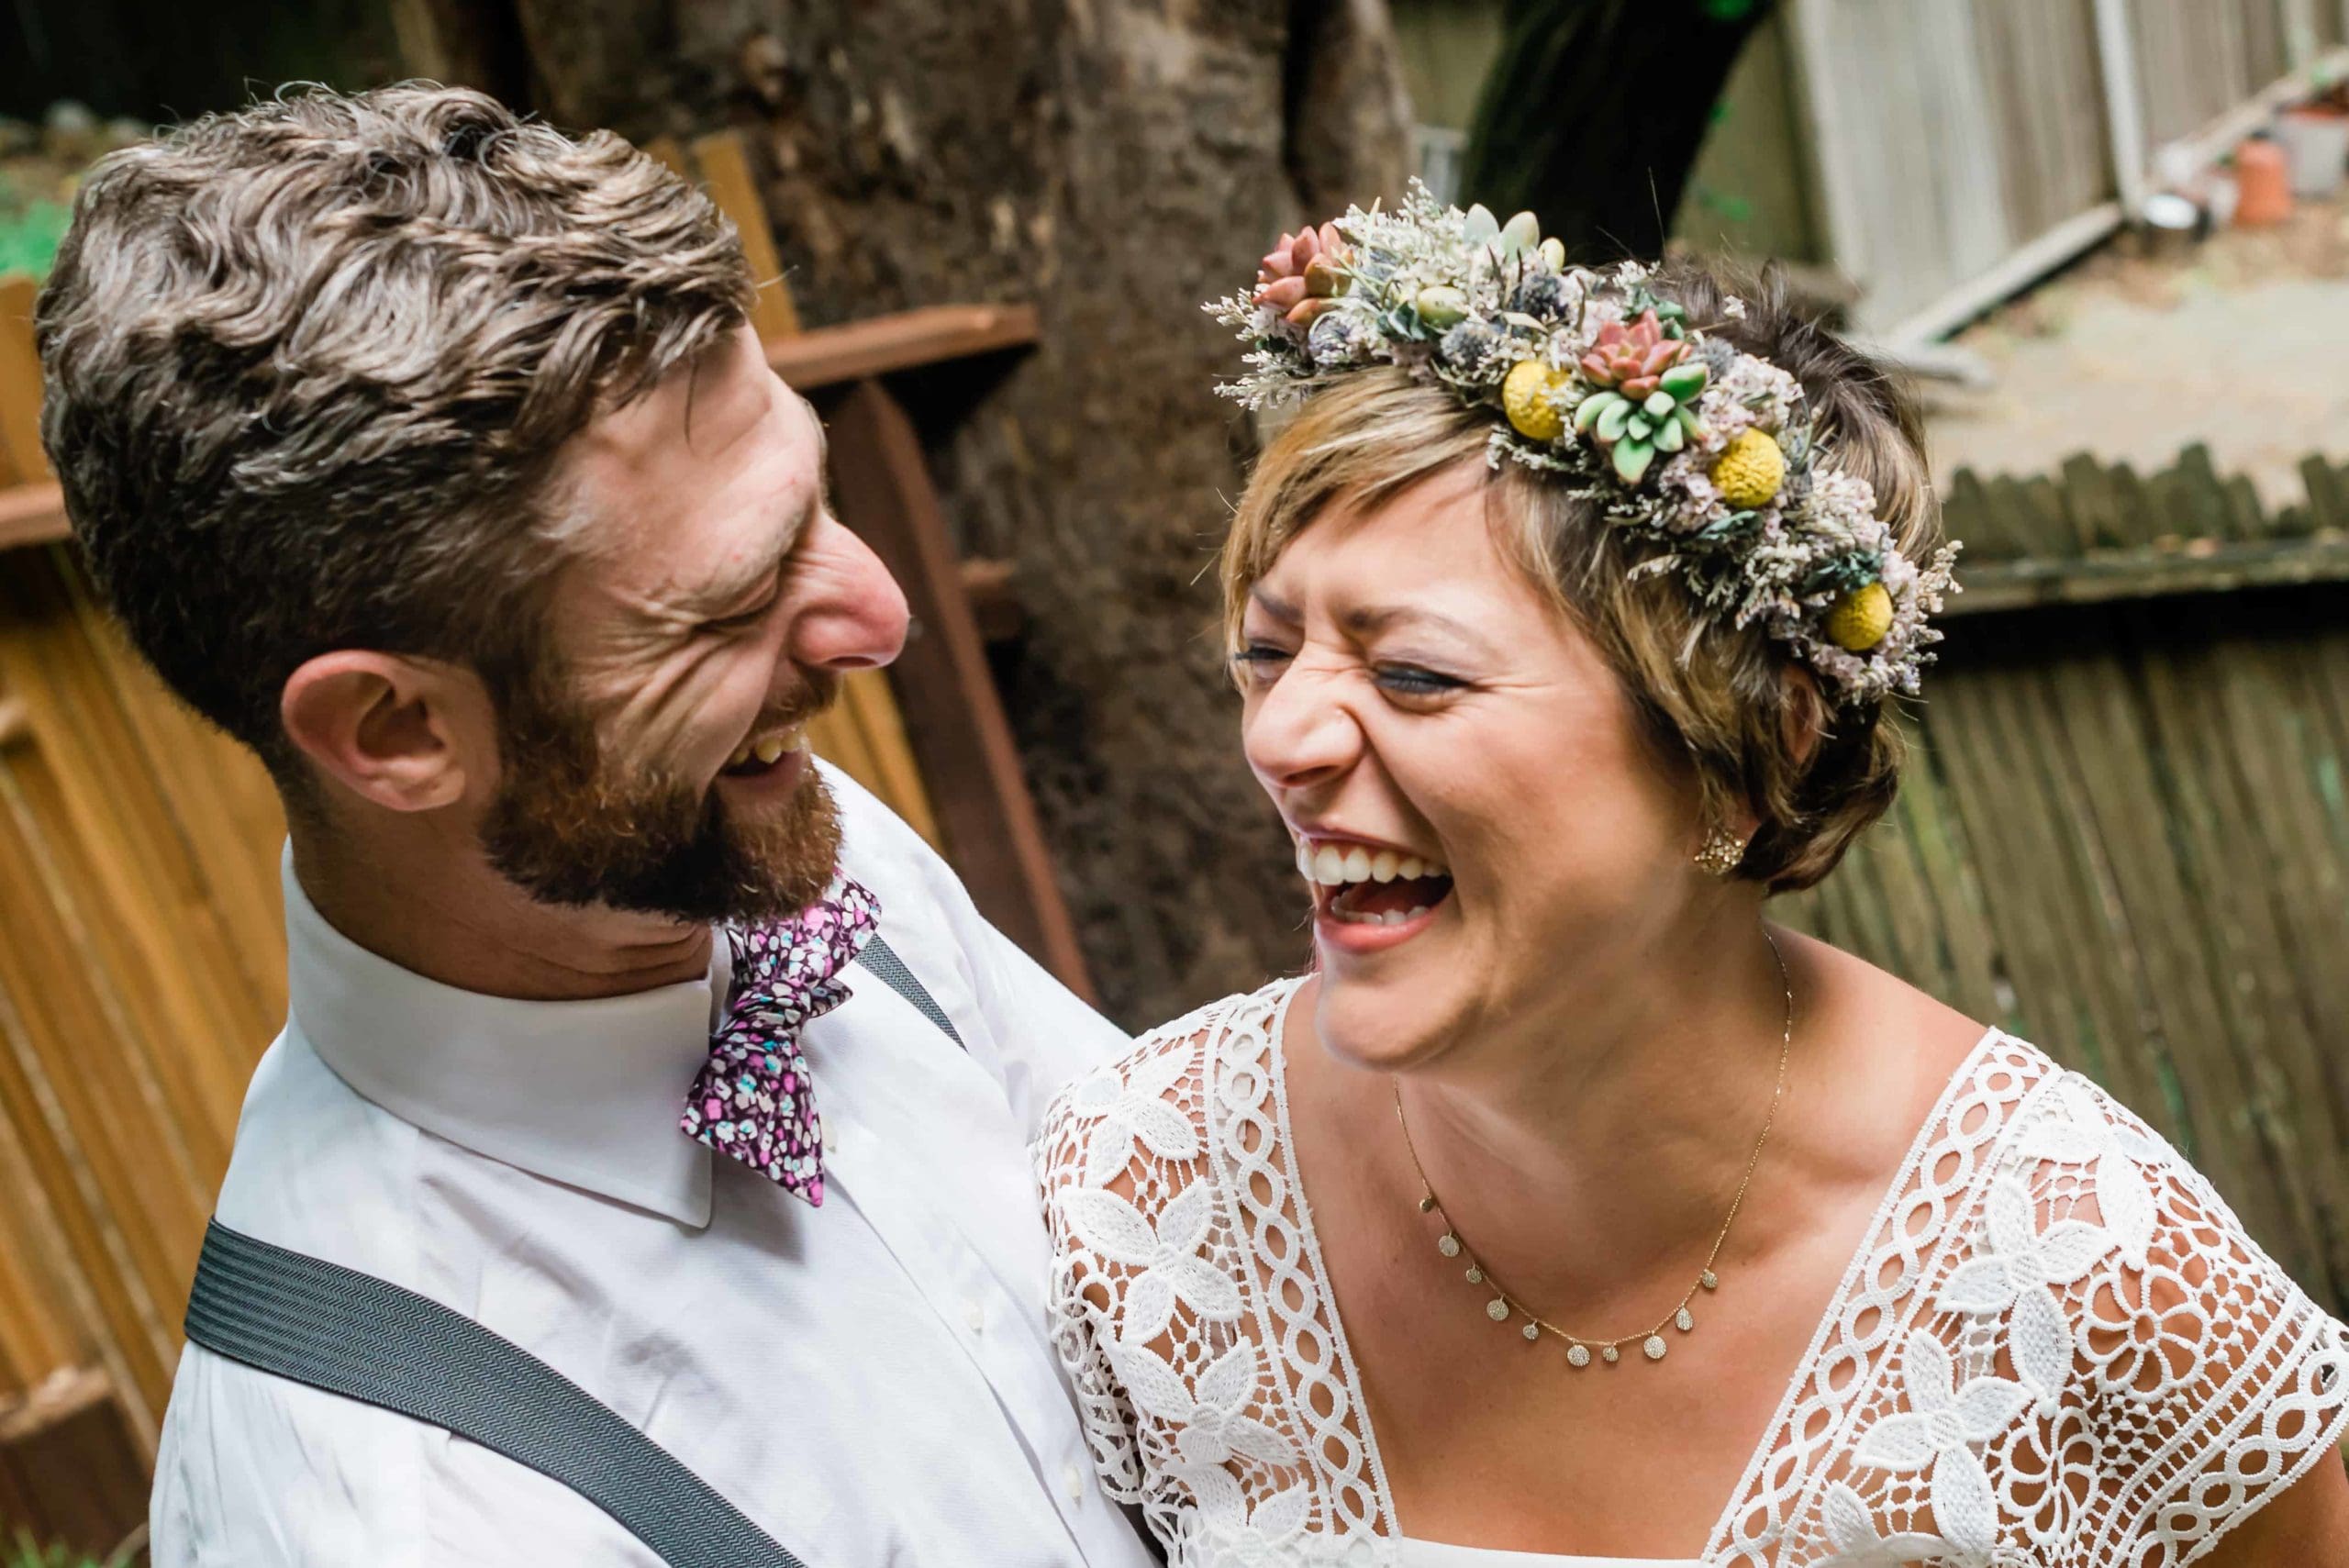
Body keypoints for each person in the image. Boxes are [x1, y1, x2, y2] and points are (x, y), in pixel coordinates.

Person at [1036, 189, 2349, 1566]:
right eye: (1268, 650)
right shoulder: (1151, 1205)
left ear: (1740, 758)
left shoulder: (2094, 1287)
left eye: (1412, 671)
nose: (1280, 737)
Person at [39, 84, 1157, 1566]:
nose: (881, 615)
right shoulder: (416, 1511)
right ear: (397, 733)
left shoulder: (767, 846)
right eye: (737, 599)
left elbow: (1198, 1238)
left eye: (813, 498)